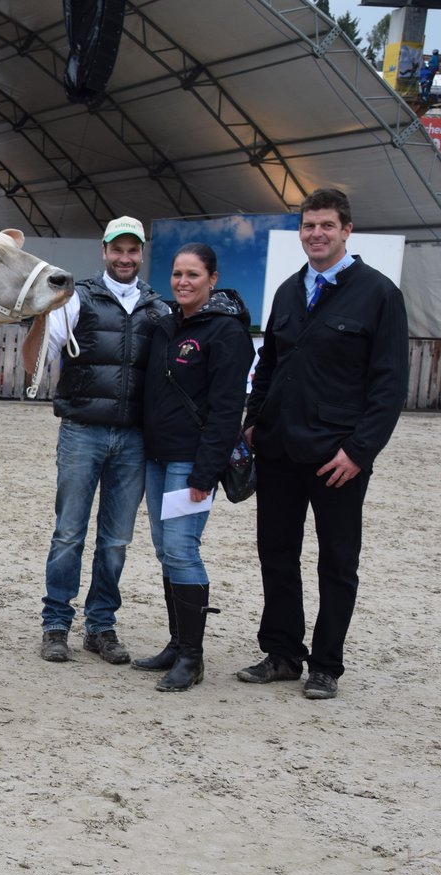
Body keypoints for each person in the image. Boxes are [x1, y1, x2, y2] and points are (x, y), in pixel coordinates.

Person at [235, 188, 409, 699]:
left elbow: (389, 383)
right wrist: (253, 420)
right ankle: (284, 653)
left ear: (346, 230)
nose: (316, 234)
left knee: (337, 562)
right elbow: (268, 364)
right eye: (309, 226)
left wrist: (360, 451)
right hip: (279, 451)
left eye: (326, 226)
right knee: (277, 554)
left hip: (338, 457)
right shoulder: (290, 291)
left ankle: (326, 665)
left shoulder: (379, 294)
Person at [36, 217, 170, 664]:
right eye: (118, 250)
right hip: (82, 431)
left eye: (133, 250)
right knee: (69, 533)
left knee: (116, 540)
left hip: (133, 438)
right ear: (104, 251)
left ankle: (101, 626)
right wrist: (39, 312)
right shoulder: (76, 299)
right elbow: (39, 356)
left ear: (141, 253)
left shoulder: (158, 309)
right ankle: (56, 624)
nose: (125, 258)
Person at [130, 244, 254, 691]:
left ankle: (192, 657)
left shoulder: (225, 332)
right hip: (159, 458)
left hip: (190, 463)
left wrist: (205, 473)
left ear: (213, 278)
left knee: (183, 551)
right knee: (167, 552)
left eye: (193, 275)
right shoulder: (167, 325)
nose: (183, 281)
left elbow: (226, 410)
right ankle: (176, 642)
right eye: (178, 274)